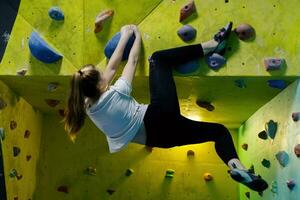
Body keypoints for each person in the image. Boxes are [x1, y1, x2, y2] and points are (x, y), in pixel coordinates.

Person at [63, 23, 268, 192]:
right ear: (99, 84)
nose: (103, 72)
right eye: (100, 74)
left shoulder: (87, 106)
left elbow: (110, 69)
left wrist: (123, 38)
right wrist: (133, 34)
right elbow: (129, 61)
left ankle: (236, 166)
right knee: (159, 59)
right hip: (158, 117)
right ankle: (213, 44)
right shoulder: (115, 92)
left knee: (219, 133)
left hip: (161, 140)